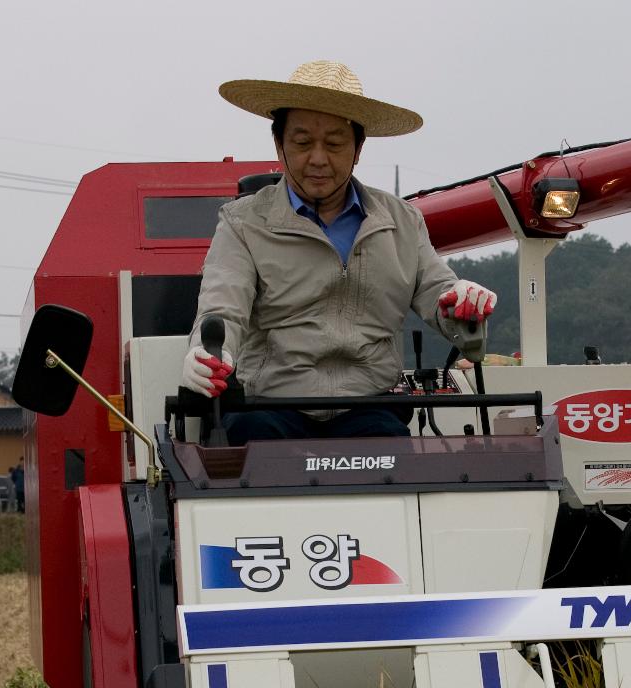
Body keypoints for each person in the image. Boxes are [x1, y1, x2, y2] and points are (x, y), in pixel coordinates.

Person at [182, 61, 497, 443]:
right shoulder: (242, 222)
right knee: (255, 452)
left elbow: (440, 295)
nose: (317, 158)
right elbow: (222, 308)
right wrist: (208, 353)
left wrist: (464, 305)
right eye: (301, 143)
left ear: (359, 148)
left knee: (393, 455)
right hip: (268, 408)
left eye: (334, 144)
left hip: (370, 408)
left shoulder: (402, 221)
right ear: (278, 144)